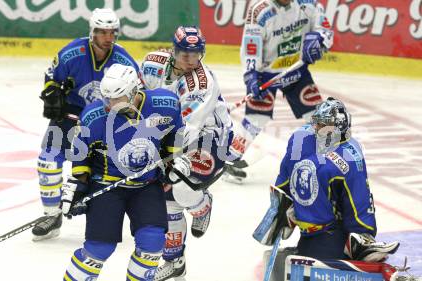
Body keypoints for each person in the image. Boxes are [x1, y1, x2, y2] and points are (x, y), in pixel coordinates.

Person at [61, 64, 188, 281]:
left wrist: (173, 162)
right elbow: (80, 155)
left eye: (116, 99)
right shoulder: (94, 116)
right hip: (106, 187)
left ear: (132, 92)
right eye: (106, 98)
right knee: (99, 249)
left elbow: (174, 134)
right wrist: (78, 187)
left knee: (152, 242)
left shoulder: (166, 104)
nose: (109, 105)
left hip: (146, 186)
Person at [256, 97, 400, 281]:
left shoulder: (349, 156)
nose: (316, 129)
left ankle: (358, 246)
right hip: (309, 231)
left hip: (331, 233)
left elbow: (359, 201)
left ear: (337, 129)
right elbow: (285, 176)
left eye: (323, 125)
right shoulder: (301, 138)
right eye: (317, 123)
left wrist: (362, 234)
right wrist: (281, 206)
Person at [33, 8, 139, 241]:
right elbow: (52, 76)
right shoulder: (72, 53)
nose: (108, 38)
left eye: (112, 33)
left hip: (102, 121)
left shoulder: (123, 60)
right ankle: (51, 215)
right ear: (93, 32)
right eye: (103, 32)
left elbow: (137, 92)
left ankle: (113, 218)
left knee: (98, 174)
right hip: (69, 117)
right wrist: (51, 93)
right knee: (47, 163)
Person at [140, 26, 235, 281]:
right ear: (174, 49)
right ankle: (175, 261)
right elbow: (138, 100)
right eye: (185, 54)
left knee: (180, 186)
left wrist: (158, 154)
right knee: (167, 199)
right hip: (170, 135)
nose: (191, 61)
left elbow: (186, 130)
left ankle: (202, 206)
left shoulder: (200, 84)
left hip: (210, 139)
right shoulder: (152, 64)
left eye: (196, 55)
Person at [223, 0, 334, 183]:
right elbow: (251, 45)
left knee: (316, 114)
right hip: (266, 73)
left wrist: (319, 39)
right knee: (257, 118)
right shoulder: (260, 10)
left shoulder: (309, 4)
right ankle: (230, 160)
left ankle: (329, 160)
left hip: (296, 70)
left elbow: (325, 29)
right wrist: (251, 75)